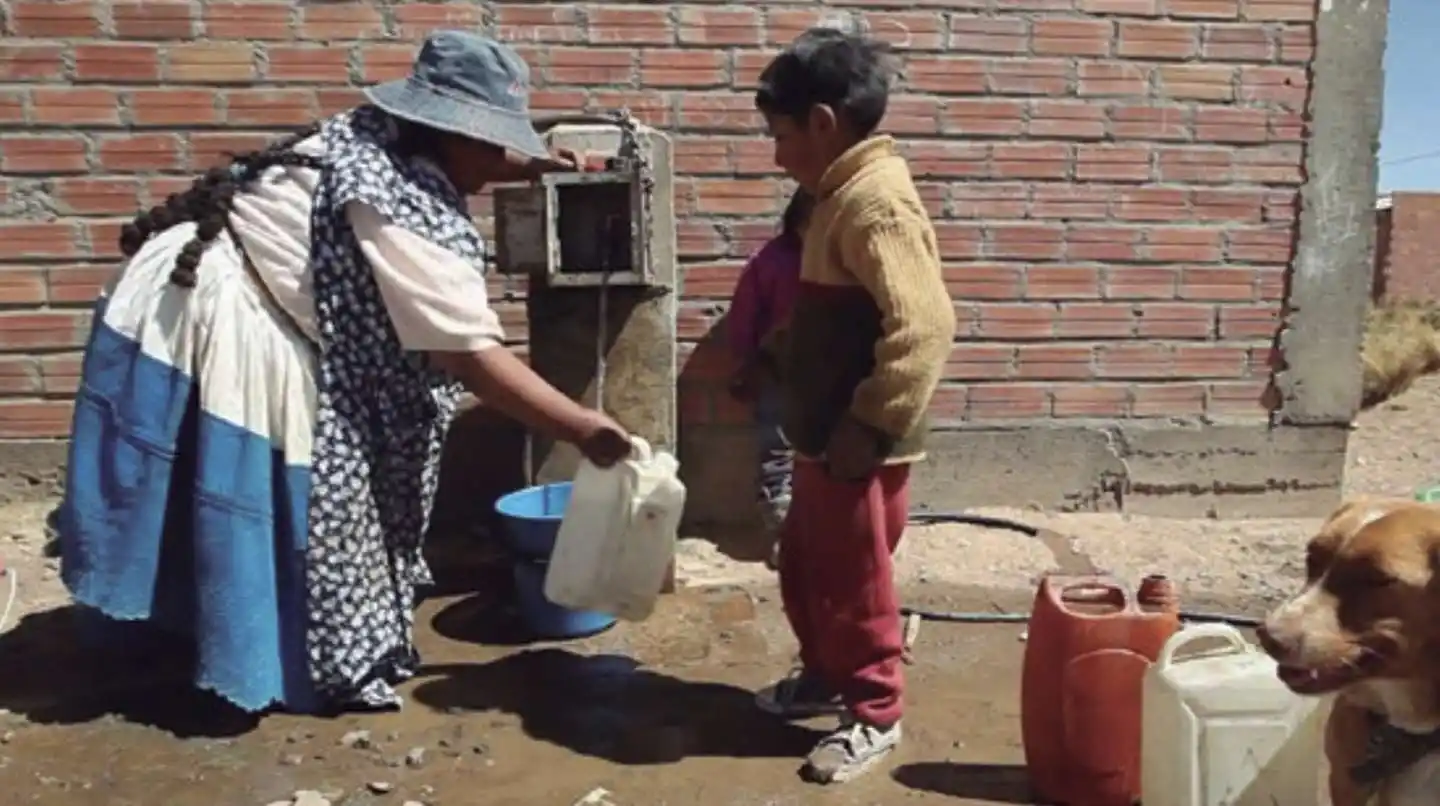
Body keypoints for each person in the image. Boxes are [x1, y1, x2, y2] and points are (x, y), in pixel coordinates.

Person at [56, 30, 633, 715]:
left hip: (188, 285)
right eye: (485, 141)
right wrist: (583, 427)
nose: (492, 159)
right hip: (216, 311)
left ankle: (174, 636)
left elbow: (474, 162)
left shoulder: (379, 135)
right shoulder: (393, 202)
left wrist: (535, 166)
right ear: (439, 128)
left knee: (196, 495)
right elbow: (469, 357)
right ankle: (255, 657)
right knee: (278, 494)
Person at [750, 28, 957, 784]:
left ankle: (875, 710)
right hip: (822, 435)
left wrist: (869, 423)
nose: (776, 155)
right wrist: (779, 351)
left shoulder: (876, 204)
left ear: (824, 125)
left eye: (781, 136)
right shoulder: (833, 198)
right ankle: (824, 674)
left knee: (853, 580)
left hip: (857, 444)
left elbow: (926, 325)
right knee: (806, 568)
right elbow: (834, 310)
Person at [725, 190, 811, 568]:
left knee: (823, 459)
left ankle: (819, 535)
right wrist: (746, 362)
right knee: (777, 454)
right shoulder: (772, 261)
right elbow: (745, 316)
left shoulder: (846, 259)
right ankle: (782, 534)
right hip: (777, 372)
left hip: (830, 377)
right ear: (797, 221)